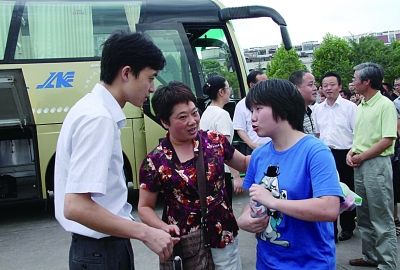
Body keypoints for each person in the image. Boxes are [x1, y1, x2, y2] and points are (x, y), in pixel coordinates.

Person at [54, 30, 179, 269]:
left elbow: (106, 201)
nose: (152, 88)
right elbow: (75, 206)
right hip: (101, 253)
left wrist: (155, 229)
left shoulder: (90, 108)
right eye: (150, 77)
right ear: (126, 73)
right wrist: (145, 233)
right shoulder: (98, 118)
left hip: (100, 249)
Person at [138, 82, 250, 270]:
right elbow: (144, 207)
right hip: (185, 243)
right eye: (183, 117)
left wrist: (277, 147)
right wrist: (163, 227)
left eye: (194, 112)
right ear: (165, 122)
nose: (192, 121)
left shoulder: (215, 141)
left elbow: (244, 162)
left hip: (222, 234)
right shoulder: (155, 161)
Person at [237, 79, 342, 269]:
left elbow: (329, 208)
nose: (252, 117)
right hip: (267, 261)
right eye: (251, 110)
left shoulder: (315, 151)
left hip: (310, 263)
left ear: (283, 108)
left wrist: (274, 202)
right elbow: (255, 200)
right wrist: (244, 218)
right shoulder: (259, 155)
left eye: (259, 108)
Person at [347, 62, 398, 269]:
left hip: (376, 164)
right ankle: (370, 256)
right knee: (365, 214)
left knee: (381, 216)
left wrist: (361, 156)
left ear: (366, 81)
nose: (352, 82)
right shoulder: (362, 106)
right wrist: (352, 152)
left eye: (355, 78)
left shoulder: (385, 105)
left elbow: (387, 140)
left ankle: (387, 263)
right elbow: (359, 137)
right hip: (361, 163)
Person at [313, 72, 357, 243]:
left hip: (345, 153)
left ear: (340, 86)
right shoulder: (318, 109)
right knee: (328, 192)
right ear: (321, 89)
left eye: (332, 84)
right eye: (325, 85)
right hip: (325, 154)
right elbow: (317, 133)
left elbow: (356, 133)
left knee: (346, 191)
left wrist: (352, 153)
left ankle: (347, 227)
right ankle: (331, 229)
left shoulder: (350, 107)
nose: (329, 88)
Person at [200, 75, 244, 204]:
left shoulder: (206, 112)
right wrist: (236, 177)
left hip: (209, 171)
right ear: (221, 92)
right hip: (222, 173)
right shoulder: (222, 115)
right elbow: (225, 151)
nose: (230, 91)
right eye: (228, 88)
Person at [233, 70, 270, 155]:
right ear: (252, 85)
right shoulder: (241, 105)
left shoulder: (272, 101)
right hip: (255, 150)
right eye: (263, 83)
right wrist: (251, 144)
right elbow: (239, 128)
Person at [289, 70, 318, 135]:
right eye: (310, 85)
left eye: (315, 84)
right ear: (296, 88)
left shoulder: (308, 111)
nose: (315, 88)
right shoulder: (291, 115)